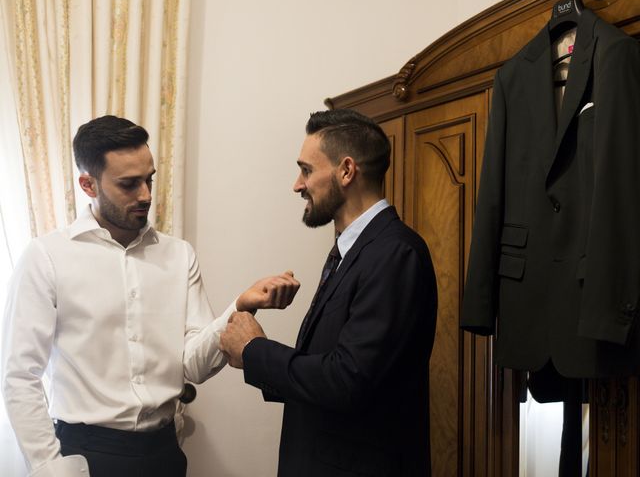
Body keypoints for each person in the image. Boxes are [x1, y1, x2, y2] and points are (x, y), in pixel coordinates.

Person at [1, 115, 299, 477]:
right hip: (84, 456)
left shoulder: (179, 255)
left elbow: (195, 365)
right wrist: (49, 466)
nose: (145, 195)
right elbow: (19, 375)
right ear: (88, 185)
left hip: (164, 453)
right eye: (129, 184)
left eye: (149, 180)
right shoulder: (46, 257)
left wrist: (240, 307)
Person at [220, 109, 438, 476]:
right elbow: (326, 370)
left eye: (306, 170)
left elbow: (347, 380)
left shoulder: (395, 252)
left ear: (347, 171)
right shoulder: (351, 249)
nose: (297, 184)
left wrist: (256, 350)